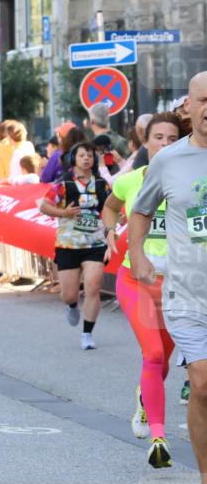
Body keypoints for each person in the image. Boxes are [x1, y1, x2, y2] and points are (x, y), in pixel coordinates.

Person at [129, 71, 207, 484]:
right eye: (204, 100)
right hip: (187, 295)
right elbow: (140, 210)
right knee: (202, 382)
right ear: (189, 108)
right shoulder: (170, 160)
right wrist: (137, 254)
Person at [102, 112, 182, 465]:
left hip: (178, 286)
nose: (165, 144)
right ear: (145, 142)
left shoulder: (193, 183)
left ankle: (144, 398)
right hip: (135, 279)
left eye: (172, 139)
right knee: (153, 354)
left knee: (162, 362)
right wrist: (109, 230)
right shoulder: (130, 181)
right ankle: (159, 439)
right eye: (158, 137)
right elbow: (110, 207)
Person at [38, 142, 109, 350]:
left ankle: (87, 334)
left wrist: (115, 220)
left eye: (90, 156)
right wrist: (64, 213)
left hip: (95, 244)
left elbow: (110, 207)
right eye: (82, 155)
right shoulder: (63, 184)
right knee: (69, 295)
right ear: (73, 159)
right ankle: (71, 305)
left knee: (93, 286)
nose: (86, 159)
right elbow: (44, 206)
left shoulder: (101, 184)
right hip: (68, 244)